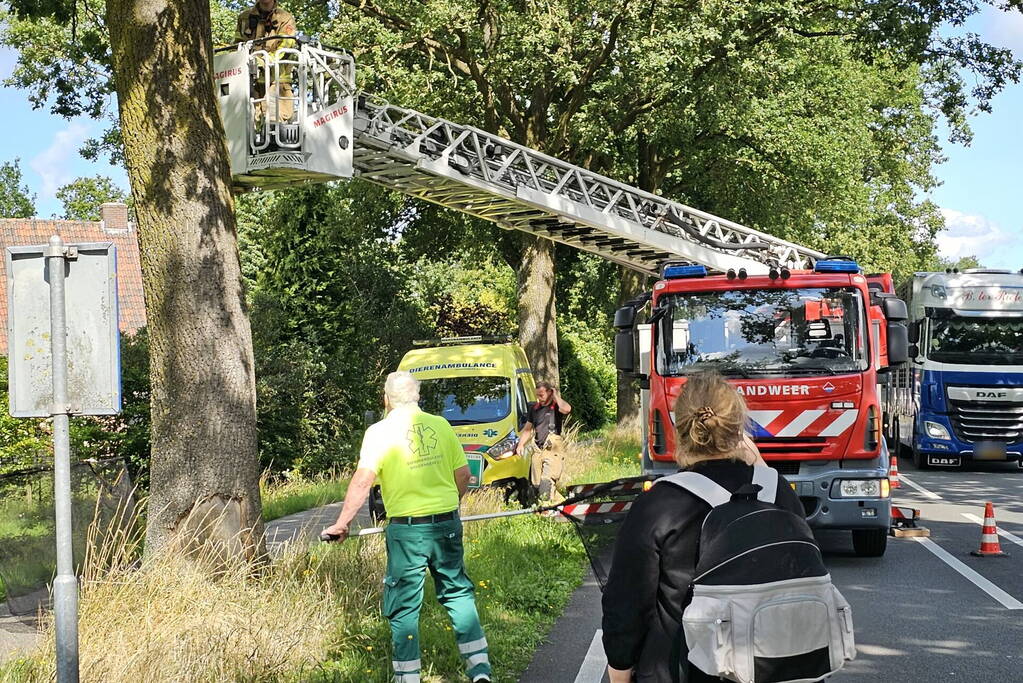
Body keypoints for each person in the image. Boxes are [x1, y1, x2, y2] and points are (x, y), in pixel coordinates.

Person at [601, 372, 803, 683]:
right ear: (739, 429)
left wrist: (620, 670)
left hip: (680, 669)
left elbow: (626, 603)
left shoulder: (659, 504)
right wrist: (760, 465)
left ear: (679, 429)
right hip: (772, 668)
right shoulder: (779, 493)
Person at [322, 371, 492, 683]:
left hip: (407, 531)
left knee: (404, 606)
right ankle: (480, 671)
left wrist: (342, 522)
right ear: (418, 397)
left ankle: (408, 677)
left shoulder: (378, 432)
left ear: (385, 399)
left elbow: (363, 481)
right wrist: (449, 504)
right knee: (458, 595)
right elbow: (464, 475)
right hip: (447, 524)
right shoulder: (441, 425)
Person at [235, 0, 297, 123]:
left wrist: (267, 59)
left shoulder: (285, 18)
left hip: (277, 80)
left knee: (275, 120)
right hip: (250, 80)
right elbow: (237, 44)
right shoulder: (244, 18)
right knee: (247, 122)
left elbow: (287, 43)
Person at [514, 381, 572, 500]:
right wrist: (520, 445)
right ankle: (563, 506)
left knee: (546, 483)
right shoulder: (534, 409)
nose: (539, 398)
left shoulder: (557, 407)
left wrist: (556, 395)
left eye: (541, 395)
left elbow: (566, 409)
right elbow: (527, 429)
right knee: (537, 486)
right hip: (538, 450)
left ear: (550, 392)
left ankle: (547, 512)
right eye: (537, 395)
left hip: (552, 451)